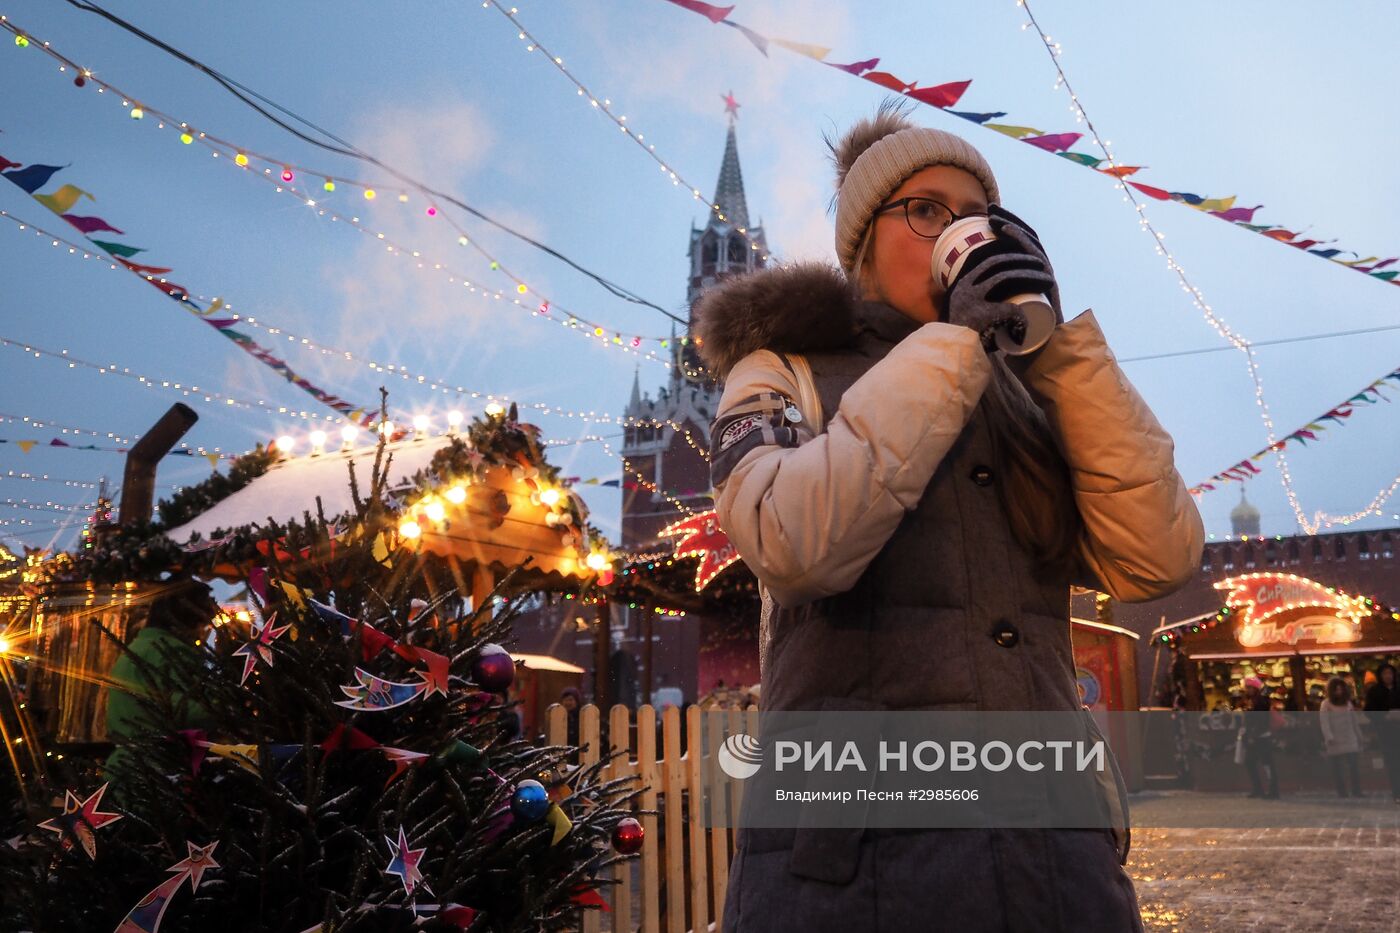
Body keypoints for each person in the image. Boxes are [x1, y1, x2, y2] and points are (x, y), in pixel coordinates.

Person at [697, 102, 1203, 932]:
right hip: (850, 869)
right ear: (862, 242)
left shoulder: (1027, 395)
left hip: (1055, 856)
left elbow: (1158, 555)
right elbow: (789, 541)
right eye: (925, 211)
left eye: (976, 220)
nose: (955, 235)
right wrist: (951, 346)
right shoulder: (781, 368)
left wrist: (1058, 355)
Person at [104, 577, 219, 799]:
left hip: (124, 766)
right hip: (162, 772)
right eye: (202, 620)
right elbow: (186, 709)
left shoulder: (137, 647)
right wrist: (226, 710)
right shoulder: (171, 651)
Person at [1320, 675, 1363, 797]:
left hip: (1350, 738)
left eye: (1341, 689)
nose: (1339, 692)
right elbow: (1324, 723)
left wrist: (1359, 736)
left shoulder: (1348, 704)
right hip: (1335, 740)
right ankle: (1342, 791)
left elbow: (1354, 722)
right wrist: (1329, 737)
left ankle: (1356, 790)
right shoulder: (1326, 704)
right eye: (1336, 689)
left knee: (1353, 766)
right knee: (1338, 768)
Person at [1363, 662, 1400, 802]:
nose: (1388, 676)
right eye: (1385, 674)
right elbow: (1369, 711)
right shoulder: (1375, 692)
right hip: (1387, 733)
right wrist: (1385, 716)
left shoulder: (1398, 688)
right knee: (1393, 763)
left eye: (1390, 673)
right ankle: (1397, 793)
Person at [1241, 676, 1279, 799]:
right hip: (1258, 736)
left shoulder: (1260, 701)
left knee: (1266, 763)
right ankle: (1261, 789)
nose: (1247, 690)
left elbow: (1260, 720)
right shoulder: (1255, 700)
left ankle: (1271, 790)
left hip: (1261, 737)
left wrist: (1253, 734)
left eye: (1249, 687)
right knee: (1253, 762)